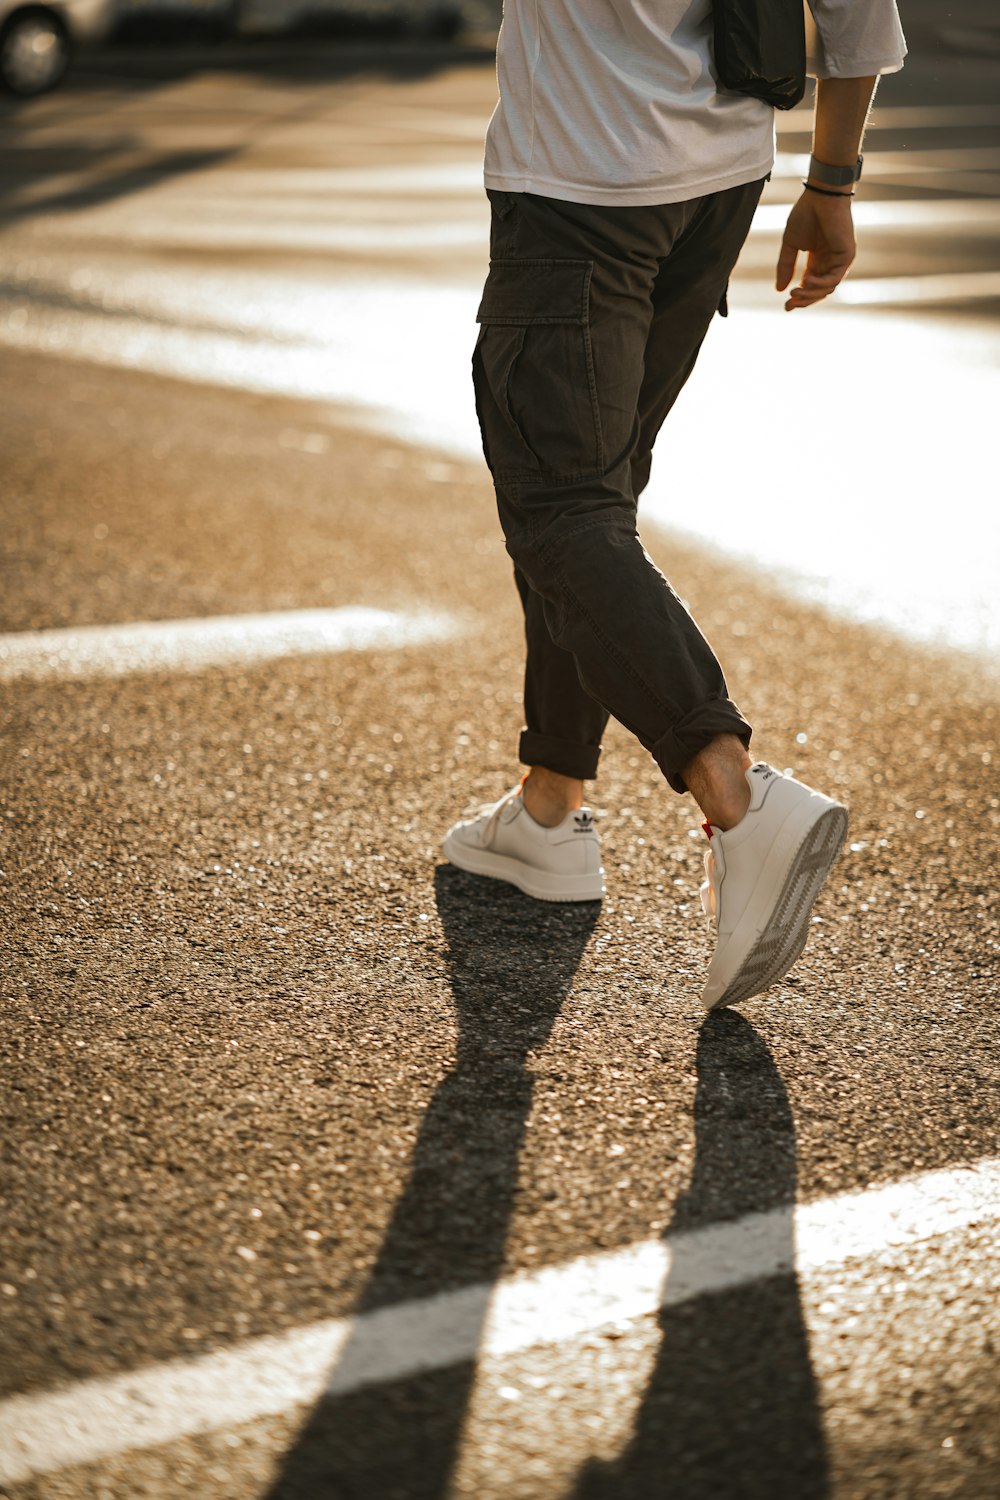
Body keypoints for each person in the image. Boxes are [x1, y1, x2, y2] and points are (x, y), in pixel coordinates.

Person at [443, 0, 906, 1010]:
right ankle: (549, 807)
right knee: (591, 507)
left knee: (564, 512)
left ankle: (731, 787)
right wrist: (832, 182)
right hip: (718, 184)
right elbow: (859, 14)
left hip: (578, 188)